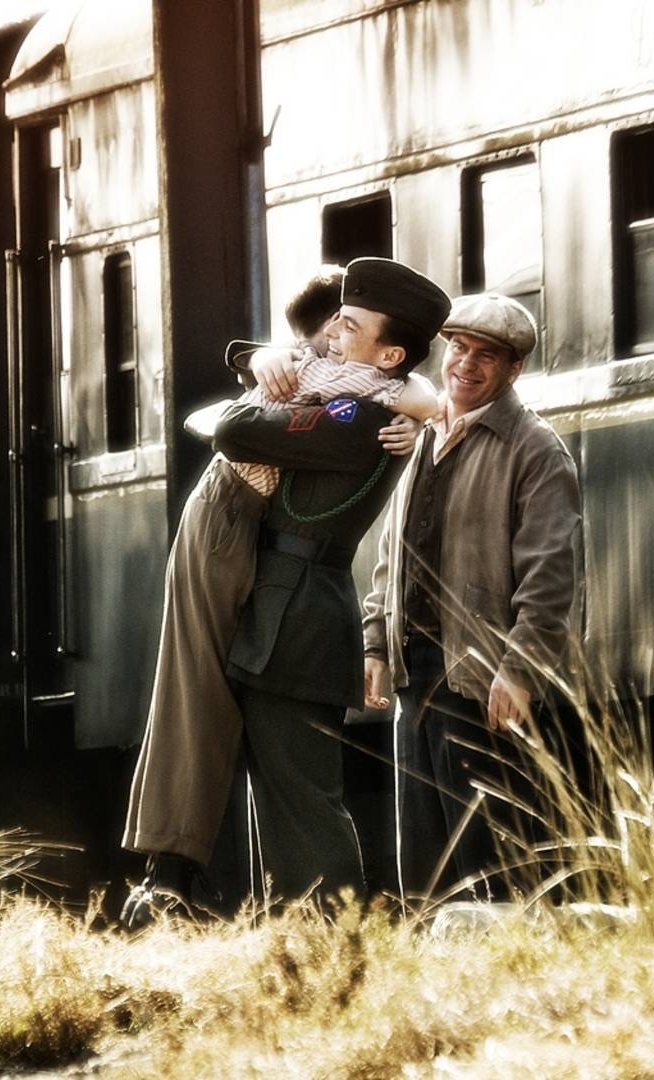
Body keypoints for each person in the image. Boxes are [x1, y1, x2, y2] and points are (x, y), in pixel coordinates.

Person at [120, 265, 440, 925]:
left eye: (351, 325)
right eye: (336, 321)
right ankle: (186, 879)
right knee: (244, 750)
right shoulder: (348, 392)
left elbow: (235, 429)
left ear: (389, 355)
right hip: (280, 596)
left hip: (295, 610)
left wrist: (273, 374)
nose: (334, 334)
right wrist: (265, 360)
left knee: (289, 786)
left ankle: (321, 932)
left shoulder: (358, 416)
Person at [359, 293, 582, 902]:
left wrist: (519, 670)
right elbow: (391, 553)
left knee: (486, 869)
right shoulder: (421, 434)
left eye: (487, 355)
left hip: (480, 682)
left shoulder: (535, 449)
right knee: (424, 871)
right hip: (413, 672)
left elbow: (548, 577)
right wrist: (376, 643)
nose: (466, 363)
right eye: (459, 347)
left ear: (514, 369)